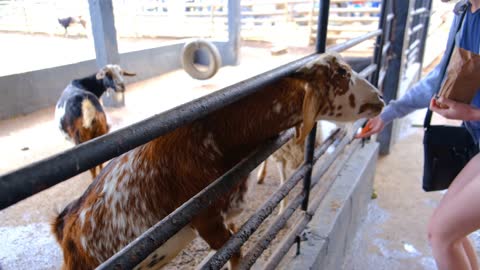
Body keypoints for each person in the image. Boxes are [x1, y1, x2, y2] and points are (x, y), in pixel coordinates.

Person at [356, 0, 480, 269]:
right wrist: (389, 113)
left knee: (442, 235)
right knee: (445, 233)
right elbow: (442, 76)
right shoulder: (463, 13)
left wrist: (471, 114)